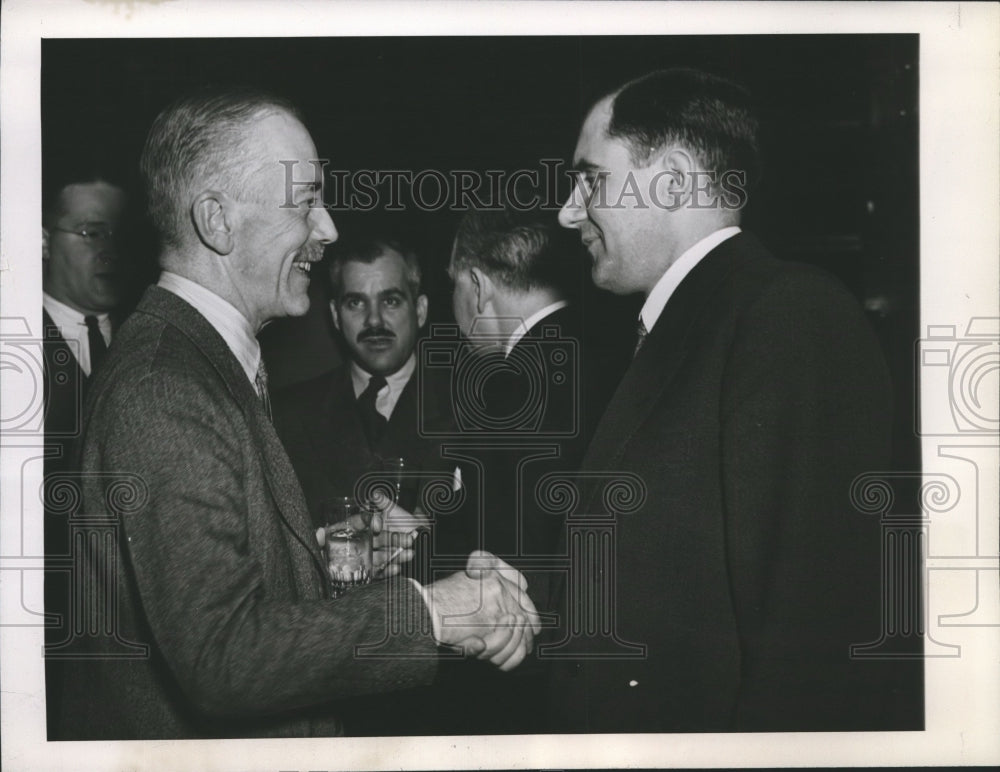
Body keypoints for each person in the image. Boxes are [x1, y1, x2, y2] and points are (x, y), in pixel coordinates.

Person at [53, 87, 539, 740]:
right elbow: (225, 657)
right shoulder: (165, 386)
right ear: (216, 221)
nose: (329, 228)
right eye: (306, 200)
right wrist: (437, 610)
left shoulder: (202, 364)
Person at [548, 67, 921, 732]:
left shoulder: (789, 314)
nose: (568, 211)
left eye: (590, 178)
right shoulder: (691, 328)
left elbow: (815, 643)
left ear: (672, 178)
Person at [439, 207, 622, 734]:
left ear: (476, 285)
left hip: (534, 690)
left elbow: (498, 556)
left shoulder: (505, 390)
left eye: (452, 284)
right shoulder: (613, 360)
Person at [273, 236, 454, 534]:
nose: (374, 321)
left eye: (391, 301)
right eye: (356, 303)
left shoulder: (470, 410)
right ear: (335, 315)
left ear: (420, 310)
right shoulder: (286, 415)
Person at [41, 159, 132, 736]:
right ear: (44, 241)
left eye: (121, 237)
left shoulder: (144, 343)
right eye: (92, 233)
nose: (110, 251)